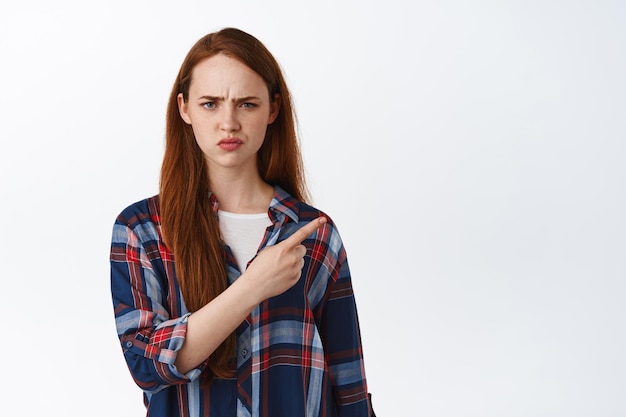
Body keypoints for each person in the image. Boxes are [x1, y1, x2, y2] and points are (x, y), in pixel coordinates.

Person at [110, 27, 372, 417]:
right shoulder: (143, 229)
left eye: (246, 104)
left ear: (273, 109)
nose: (228, 122)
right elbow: (147, 364)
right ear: (184, 109)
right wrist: (251, 287)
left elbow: (348, 381)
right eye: (210, 104)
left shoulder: (314, 233)